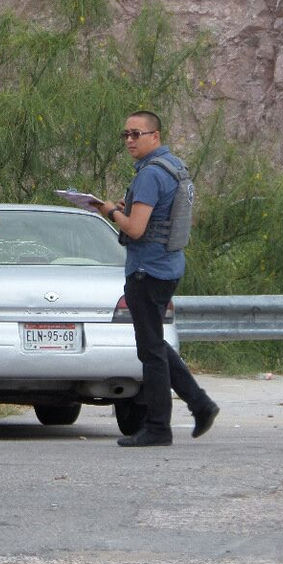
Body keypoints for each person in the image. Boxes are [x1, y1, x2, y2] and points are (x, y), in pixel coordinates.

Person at [95, 111, 219, 447]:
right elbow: (156, 215)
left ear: (155, 136)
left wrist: (107, 210)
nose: (130, 141)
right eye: (125, 135)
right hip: (168, 267)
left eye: (136, 134)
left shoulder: (150, 174)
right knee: (155, 344)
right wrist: (126, 207)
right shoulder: (174, 166)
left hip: (147, 270)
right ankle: (200, 404)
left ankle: (158, 428)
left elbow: (135, 228)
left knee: (150, 351)